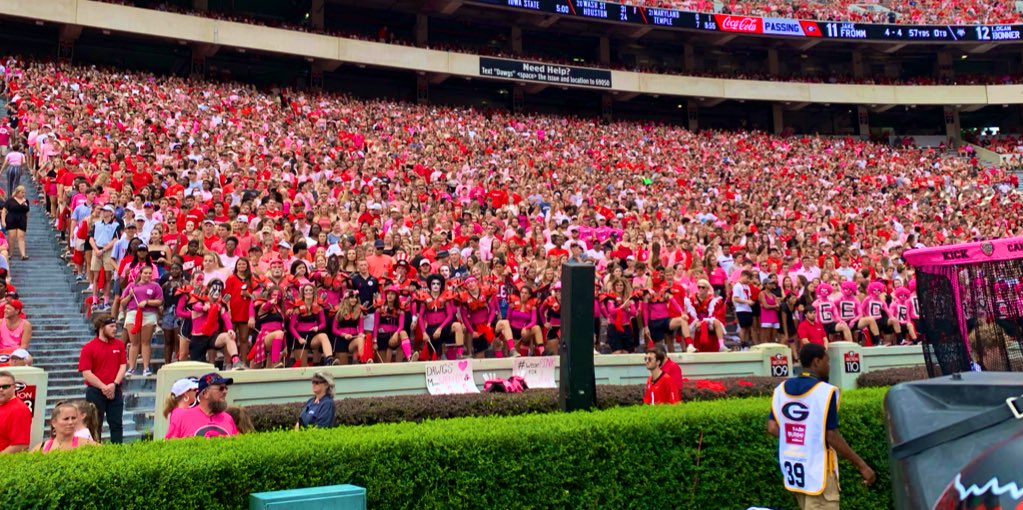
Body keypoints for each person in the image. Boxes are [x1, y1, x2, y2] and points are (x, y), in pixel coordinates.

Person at [767, 344, 876, 509]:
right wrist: (862, 465)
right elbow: (830, 435)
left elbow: (772, 427)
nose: (829, 366)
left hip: (795, 473)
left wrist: (798, 440)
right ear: (817, 362)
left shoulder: (781, 389)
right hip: (819, 473)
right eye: (828, 361)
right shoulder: (825, 392)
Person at [77, 314, 126, 443]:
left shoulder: (119, 345)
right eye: (111, 326)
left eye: (115, 326)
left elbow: (123, 366)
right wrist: (104, 387)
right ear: (101, 327)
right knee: (94, 425)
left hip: (115, 390)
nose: (115, 329)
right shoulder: (89, 347)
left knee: (116, 425)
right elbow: (86, 373)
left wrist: (114, 385)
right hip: (96, 391)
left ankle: (117, 452)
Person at [165, 372, 238, 439]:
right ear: (205, 393)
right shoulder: (182, 418)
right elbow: (169, 447)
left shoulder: (228, 418)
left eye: (226, 388)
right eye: (221, 388)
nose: (225, 392)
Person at [32, 402, 96, 453]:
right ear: (54, 423)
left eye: (73, 418)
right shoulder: (41, 447)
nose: (70, 422)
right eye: (66, 419)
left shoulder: (87, 445)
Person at [0, 370, 31, 453]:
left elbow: (20, 445)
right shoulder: (3, 405)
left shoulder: (19, 410)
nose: (1, 389)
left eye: (5, 386)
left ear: (14, 387)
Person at [2, 185, 29, 260]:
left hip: (22, 219)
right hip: (11, 219)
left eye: (24, 192)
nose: (23, 194)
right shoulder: (10, 200)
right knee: (11, 237)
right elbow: (4, 211)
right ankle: (10, 254)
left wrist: (27, 220)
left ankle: (23, 254)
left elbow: (27, 212)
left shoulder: (25, 201)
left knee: (21, 237)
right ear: (17, 192)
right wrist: (3, 221)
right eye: (22, 192)